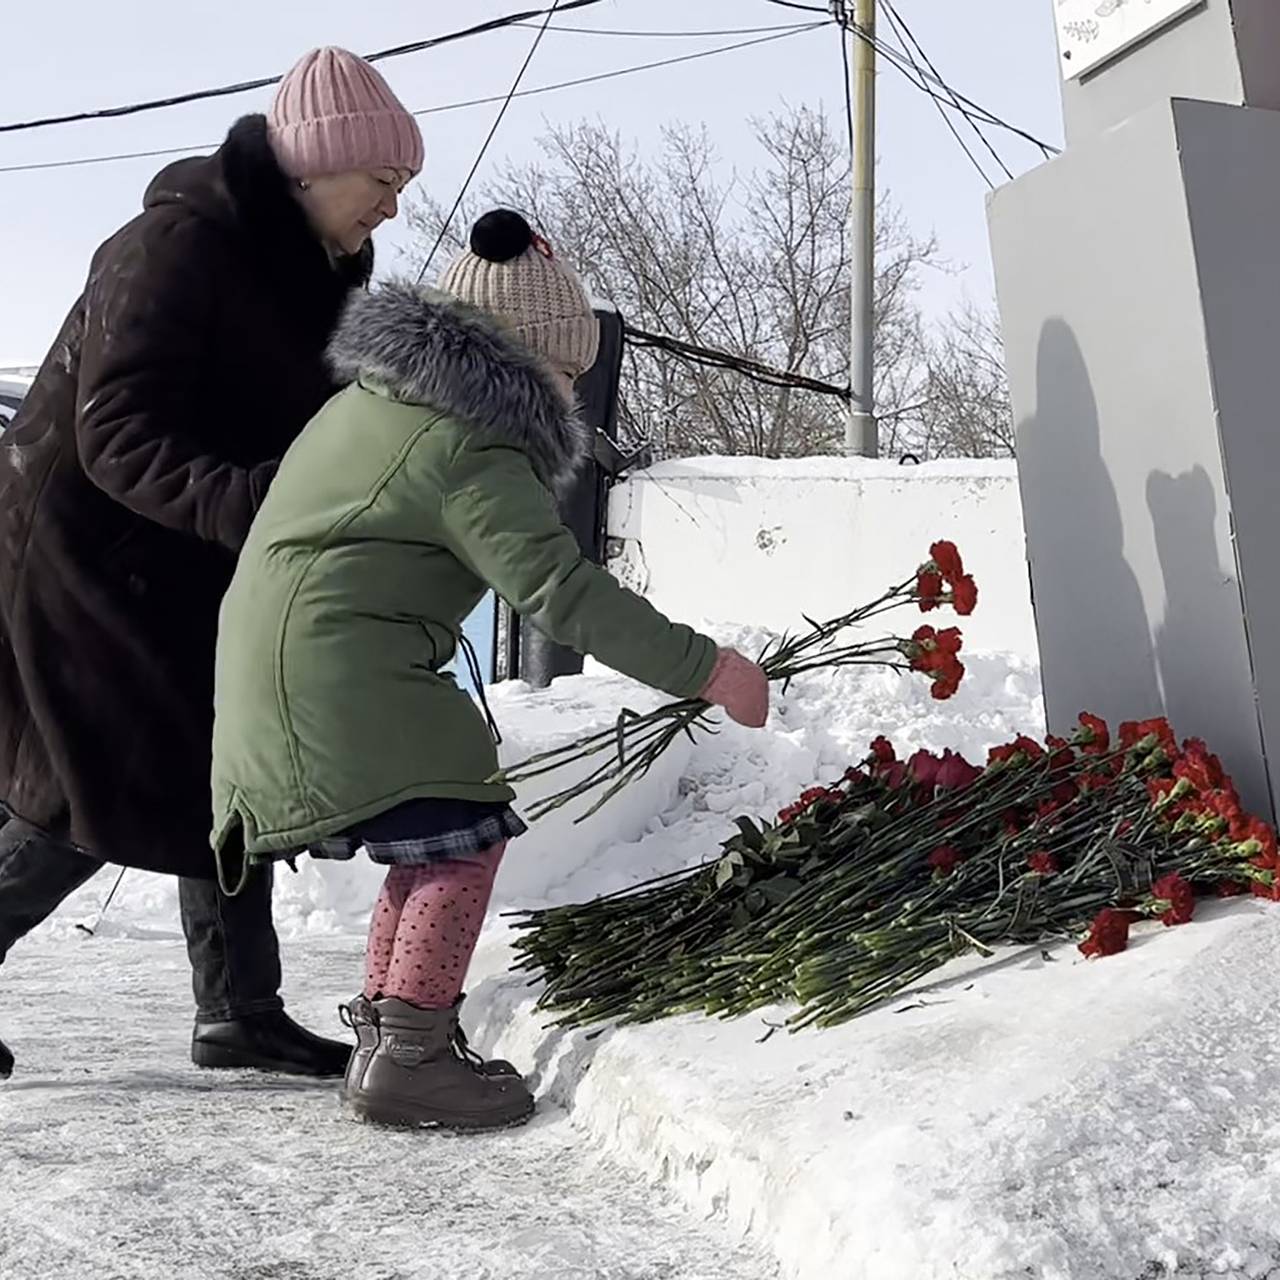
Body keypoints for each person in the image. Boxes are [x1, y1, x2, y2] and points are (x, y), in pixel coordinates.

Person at [209, 209, 770, 1131]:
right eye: (564, 369)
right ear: (516, 360)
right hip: (339, 671)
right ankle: (413, 1056)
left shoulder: (374, 402)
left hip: (285, 666)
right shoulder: (475, 437)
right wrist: (706, 669)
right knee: (463, 834)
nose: (572, 389)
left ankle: (388, 1043)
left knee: (434, 837)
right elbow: (559, 590)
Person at [0, 47, 424, 1083]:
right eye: (383, 183)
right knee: (94, 788)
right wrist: (266, 502)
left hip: (188, 555)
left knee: (230, 767)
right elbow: (116, 432)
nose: (392, 210)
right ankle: (236, 1000)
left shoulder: (321, 272)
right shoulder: (176, 245)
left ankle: (239, 1005)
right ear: (317, 166)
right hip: (82, 562)